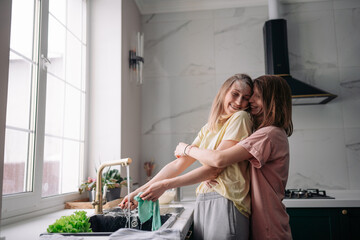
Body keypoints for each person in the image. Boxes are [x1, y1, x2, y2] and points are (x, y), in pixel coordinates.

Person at [120, 73, 253, 240]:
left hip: (227, 202)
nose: (240, 102)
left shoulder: (241, 118)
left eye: (246, 98)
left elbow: (214, 169)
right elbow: (178, 165)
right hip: (206, 200)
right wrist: (138, 192)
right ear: (224, 93)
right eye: (235, 94)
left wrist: (166, 183)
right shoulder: (209, 127)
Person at [174, 75, 293, 240]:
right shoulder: (264, 133)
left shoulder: (268, 134)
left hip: (268, 225)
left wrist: (186, 148)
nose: (249, 101)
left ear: (272, 101)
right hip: (264, 220)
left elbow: (219, 159)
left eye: (256, 96)